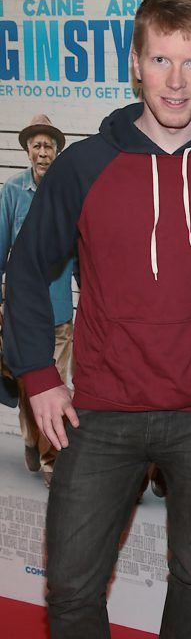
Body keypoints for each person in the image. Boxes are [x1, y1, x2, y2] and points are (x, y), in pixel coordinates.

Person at [3, 0, 191, 639]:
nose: (176, 80)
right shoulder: (84, 163)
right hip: (100, 411)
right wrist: (38, 375)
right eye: (161, 60)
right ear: (136, 63)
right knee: (71, 580)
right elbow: (28, 269)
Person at [0, 113, 74, 486]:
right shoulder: (12, 192)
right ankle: (32, 438)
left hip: (59, 308)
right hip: (21, 311)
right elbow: (0, 249)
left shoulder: (67, 193)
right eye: (37, 146)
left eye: (49, 146)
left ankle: (51, 459)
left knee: (56, 384)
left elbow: (78, 252)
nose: (43, 152)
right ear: (28, 150)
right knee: (29, 381)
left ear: (58, 152)